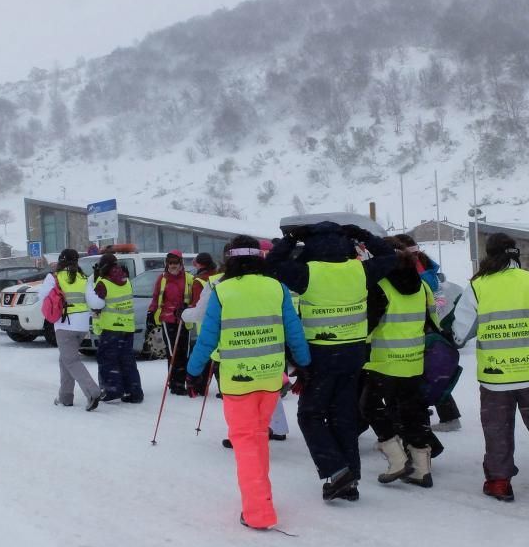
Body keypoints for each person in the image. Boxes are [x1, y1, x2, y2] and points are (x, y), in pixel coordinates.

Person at [185, 235, 310, 530]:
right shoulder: (276, 288)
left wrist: (193, 372)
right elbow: (294, 332)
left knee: (246, 444)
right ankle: (262, 497)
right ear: (259, 258)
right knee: (257, 440)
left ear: (231, 259)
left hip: (238, 381)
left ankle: (258, 512)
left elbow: (207, 338)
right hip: (269, 378)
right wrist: (304, 365)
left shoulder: (222, 290)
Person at [266, 222, 396, 502]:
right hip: (353, 353)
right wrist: (363, 235)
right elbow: (389, 257)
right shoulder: (358, 270)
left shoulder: (307, 273)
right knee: (343, 416)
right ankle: (349, 481)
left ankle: (337, 472)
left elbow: (272, 262)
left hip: (321, 354)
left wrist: (291, 239)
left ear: (312, 245)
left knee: (310, 414)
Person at [452, 233, 529, 502]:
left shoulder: (477, 287)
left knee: (497, 430)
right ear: (515, 254)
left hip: (494, 377)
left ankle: (499, 482)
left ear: (489, 254)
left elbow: (460, 333)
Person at [361, 239, 440, 488]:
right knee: (412, 411)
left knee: (369, 407)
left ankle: (396, 459)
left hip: (383, 362)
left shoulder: (379, 286)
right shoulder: (423, 286)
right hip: (414, 361)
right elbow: (433, 321)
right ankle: (421, 469)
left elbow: (367, 325)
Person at [395, 233, 463, 432]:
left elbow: (435, 298)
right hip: (432, 328)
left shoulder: (415, 270)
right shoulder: (425, 267)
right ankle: (447, 417)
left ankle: (421, 423)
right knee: (432, 374)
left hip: (423, 329)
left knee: (421, 376)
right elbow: (438, 298)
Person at [39, 249, 104, 408]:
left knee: (71, 360)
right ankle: (65, 397)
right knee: (65, 359)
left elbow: (42, 296)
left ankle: (92, 392)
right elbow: (95, 303)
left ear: (61, 261)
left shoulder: (53, 277)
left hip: (64, 324)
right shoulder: (84, 278)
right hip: (82, 325)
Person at [89, 253, 143, 408]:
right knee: (127, 361)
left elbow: (96, 305)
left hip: (111, 328)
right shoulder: (126, 280)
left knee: (107, 359)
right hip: (127, 327)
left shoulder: (103, 283)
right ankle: (135, 391)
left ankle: (113, 389)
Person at [148, 250, 203, 396]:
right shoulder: (163, 279)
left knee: (183, 351)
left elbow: (195, 297)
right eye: (170, 263)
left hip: (184, 319)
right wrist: (151, 311)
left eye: (175, 263)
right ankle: (175, 382)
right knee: (173, 352)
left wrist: (188, 307)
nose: (173, 266)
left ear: (181, 264)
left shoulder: (189, 279)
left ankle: (182, 380)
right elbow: (156, 297)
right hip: (168, 318)